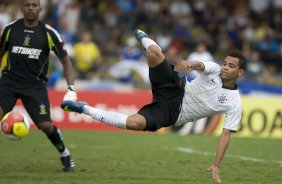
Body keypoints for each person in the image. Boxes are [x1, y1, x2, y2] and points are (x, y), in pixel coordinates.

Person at [62, 29, 246, 182]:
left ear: (240, 72)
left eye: (231, 66)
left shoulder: (234, 102)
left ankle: (83, 108)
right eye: (225, 63)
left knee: (133, 123)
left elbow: (225, 134)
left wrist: (216, 164)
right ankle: (143, 37)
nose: (225, 67)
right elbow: (200, 65)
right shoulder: (214, 69)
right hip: (174, 87)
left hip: (171, 113)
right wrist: (193, 64)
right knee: (155, 53)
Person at [0, 0, 77, 172]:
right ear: (22, 8)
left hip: (35, 86)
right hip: (8, 82)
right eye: (27, 5)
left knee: (46, 126)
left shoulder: (49, 33)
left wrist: (71, 88)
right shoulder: (10, 29)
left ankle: (64, 153)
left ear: (40, 9)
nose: (30, 8)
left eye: (34, 5)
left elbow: (66, 61)